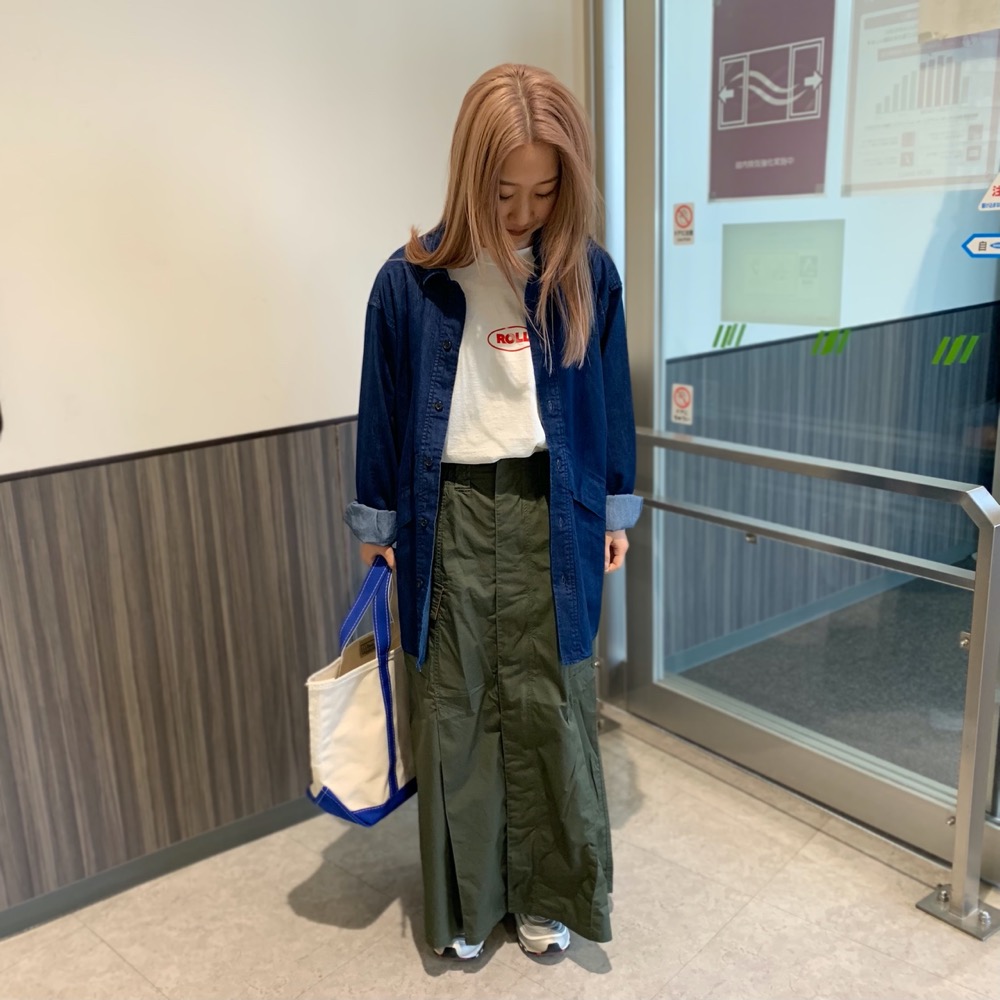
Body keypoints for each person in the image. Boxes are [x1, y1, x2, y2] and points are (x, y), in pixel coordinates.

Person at [345, 63, 642, 961]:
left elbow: (607, 403)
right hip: (449, 516)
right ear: (471, 176)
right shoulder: (410, 282)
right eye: (506, 191)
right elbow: (381, 409)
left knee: (552, 702)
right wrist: (377, 528)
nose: (523, 212)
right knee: (458, 708)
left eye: (545, 191)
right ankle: (471, 904)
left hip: (555, 507)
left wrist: (614, 510)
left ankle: (548, 893)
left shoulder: (586, 273)